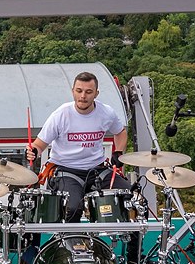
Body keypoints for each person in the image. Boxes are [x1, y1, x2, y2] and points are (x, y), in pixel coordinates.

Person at [26, 71, 129, 222]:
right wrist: (33, 151)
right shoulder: (60, 115)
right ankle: (69, 244)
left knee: (130, 196)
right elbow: (39, 144)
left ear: (96, 94)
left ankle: (133, 245)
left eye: (88, 92)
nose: (83, 96)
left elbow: (120, 132)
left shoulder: (106, 113)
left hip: (96, 170)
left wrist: (118, 152)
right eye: (79, 91)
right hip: (66, 170)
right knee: (72, 208)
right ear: (72, 91)